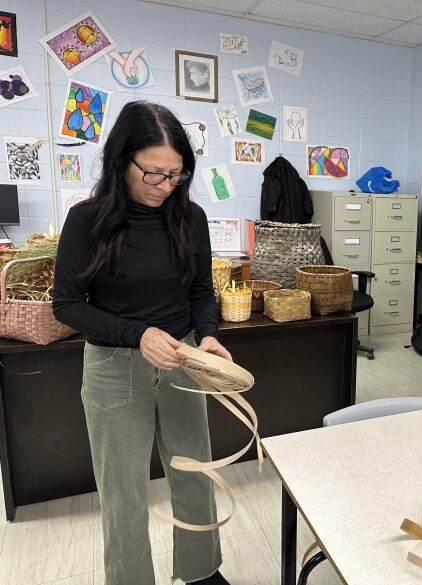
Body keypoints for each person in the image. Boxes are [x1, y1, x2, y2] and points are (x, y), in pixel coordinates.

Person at [53, 101, 232, 585]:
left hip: (184, 360)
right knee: (123, 489)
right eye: (153, 173)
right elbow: (67, 305)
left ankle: (201, 571)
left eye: (175, 175)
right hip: (114, 365)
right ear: (121, 161)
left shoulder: (189, 217)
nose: (164, 186)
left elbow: (200, 291)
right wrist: (137, 333)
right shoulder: (86, 219)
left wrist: (210, 336)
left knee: (194, 469)